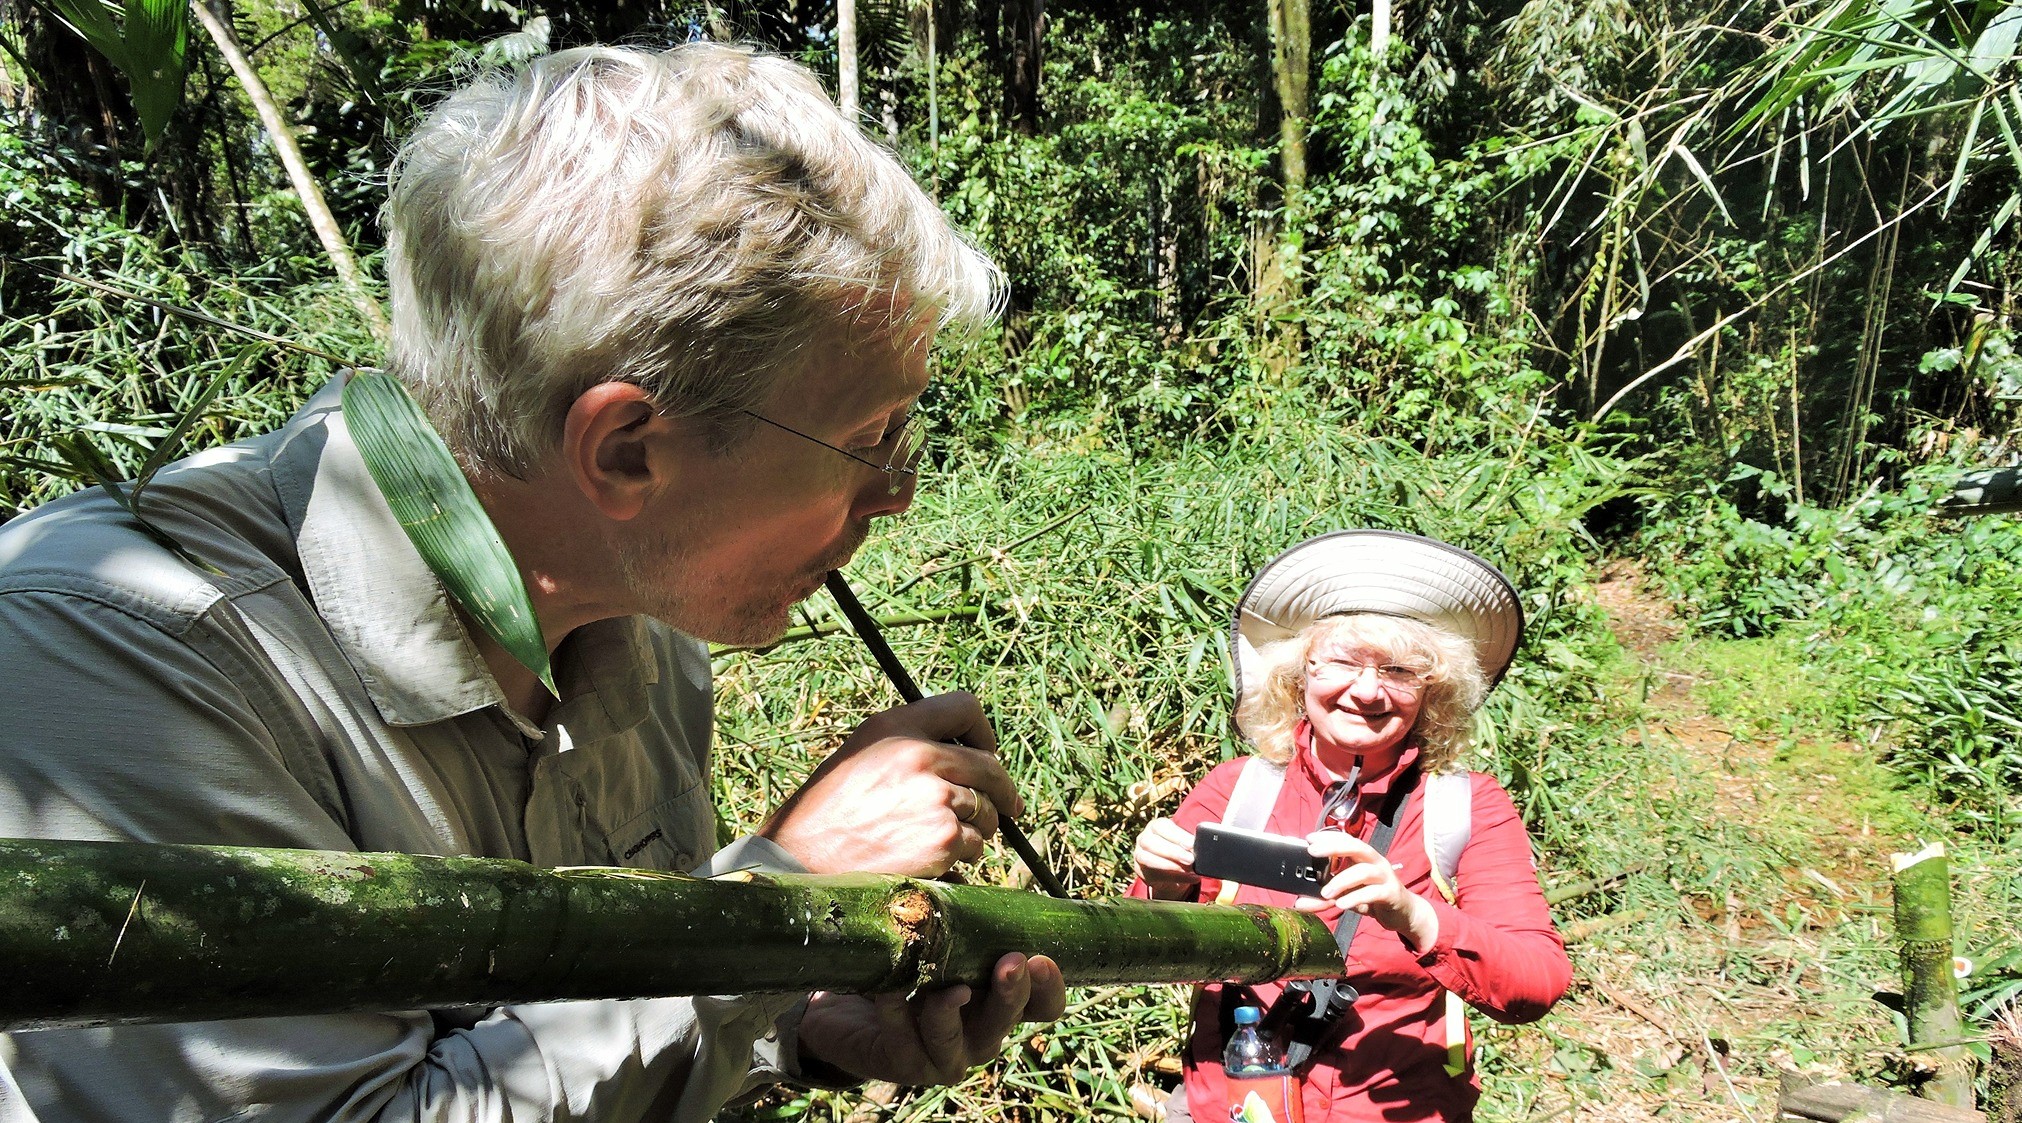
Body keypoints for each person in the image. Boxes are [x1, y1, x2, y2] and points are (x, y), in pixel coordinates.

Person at [0, 43, 1064, 1123]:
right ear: (624, 452)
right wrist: (772, 900)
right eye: (869, 438)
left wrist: (797, 1018)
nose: (897, 493)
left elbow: (565, 1035)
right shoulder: (125, 653)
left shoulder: (638, 630)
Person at [1131, 531, 1572, 1122]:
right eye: (1341, 661)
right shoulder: (1236, 789)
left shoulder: (1469, 809)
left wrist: (1413, 914)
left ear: (1433, 690)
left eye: (1399, 670)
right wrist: (1164, 883)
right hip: (1232, 1104)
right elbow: (1153, 948)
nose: (1367, 690)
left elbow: (1536, 981)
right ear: (1300, 674)